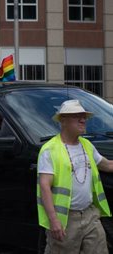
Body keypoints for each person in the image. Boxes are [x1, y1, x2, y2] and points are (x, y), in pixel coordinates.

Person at [37, 99, 113, 254]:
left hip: (90, 214)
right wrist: (54, 220)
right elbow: (44, 186)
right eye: (77, 115)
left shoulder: (87, 145)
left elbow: (108, 165)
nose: (83, 119)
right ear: (63, 120)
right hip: (65, 219)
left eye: (84, 116)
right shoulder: (50, 149)